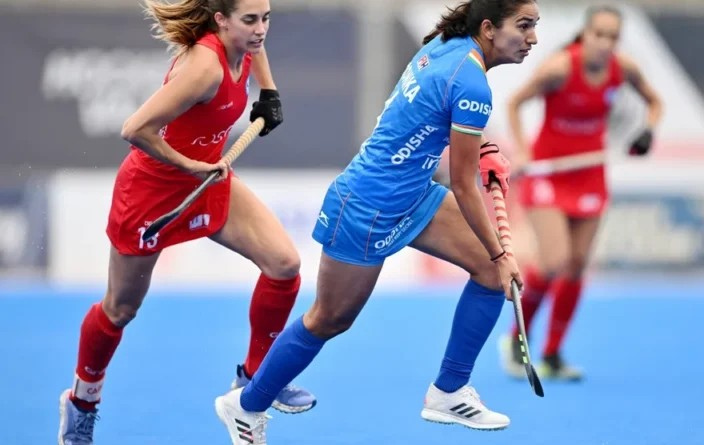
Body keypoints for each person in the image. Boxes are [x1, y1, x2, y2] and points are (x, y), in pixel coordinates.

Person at [212, 0, 540, 442]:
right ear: (488, 27)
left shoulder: (450, 45)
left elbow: (429, 115)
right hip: (367, 207)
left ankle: (449, 390)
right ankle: (245, 405)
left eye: (535, 26)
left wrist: (482, 149)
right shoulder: (472, 81)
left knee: (485, 271)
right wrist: (504, 253)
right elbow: (464, 186)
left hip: (413, 193)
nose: (533, 38)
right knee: (328, 319)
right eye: (523, 26)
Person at [57, 0, 317, 443]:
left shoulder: (246, 41)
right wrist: (190, 165)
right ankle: (82, 402)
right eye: (250, 20)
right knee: (120, 309)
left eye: (266, 18)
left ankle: (253, 384)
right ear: (221, 20)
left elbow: (255, 48)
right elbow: (135, 129)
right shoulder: (204, 67)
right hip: (153, 192)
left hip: (209, 177)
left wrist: (268, 91)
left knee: (284, 266)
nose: (260, 30)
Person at [499, 4, 663, 381]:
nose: (605, 44)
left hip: (589, 175)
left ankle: (553, 354)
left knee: (575, 268)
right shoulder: (560, 68)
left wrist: (647, 131)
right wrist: (522, 151)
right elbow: (515, 103)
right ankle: (515, 338)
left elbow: (655, 103)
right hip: (548, 175)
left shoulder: (623, 70)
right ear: (585, 35)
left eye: (613, 37)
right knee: (554, 261)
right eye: (599, 35)